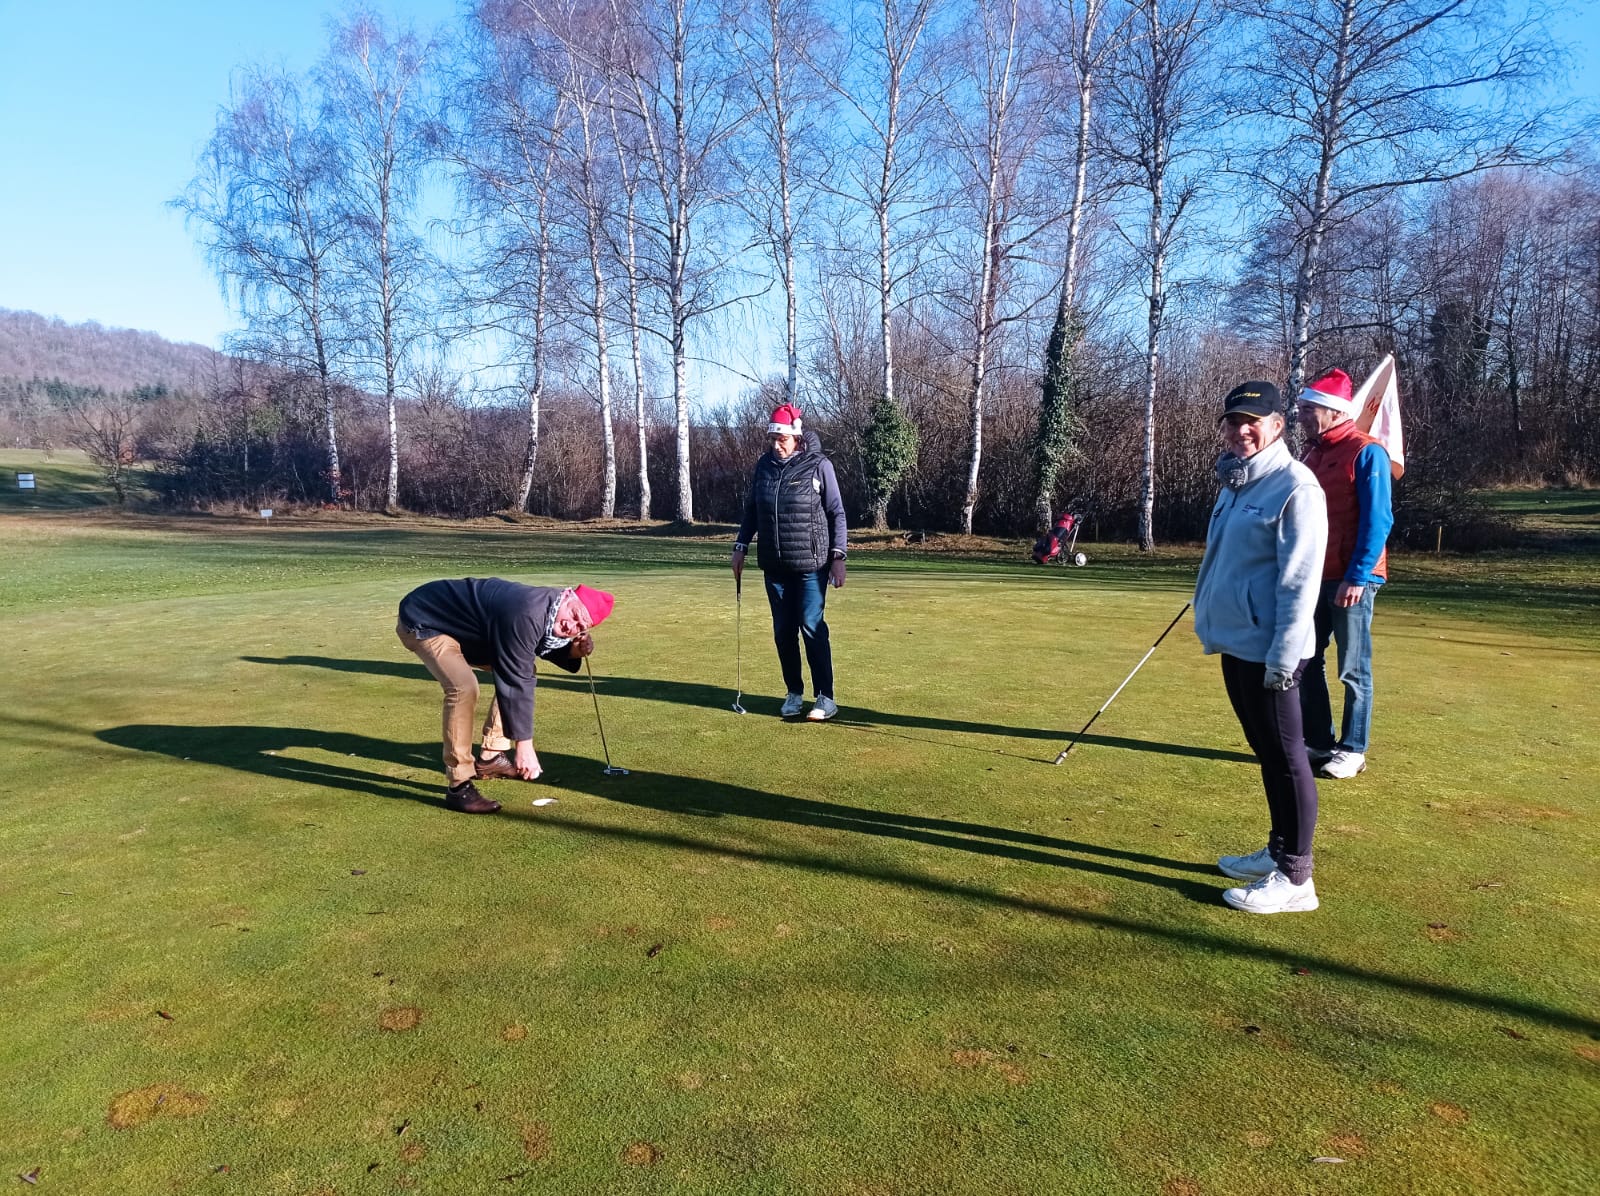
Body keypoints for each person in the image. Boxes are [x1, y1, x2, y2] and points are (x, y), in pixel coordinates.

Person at [1193, 381, 1328, 914]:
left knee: (1288, 757)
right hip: (1238, 641)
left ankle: (1296, 878)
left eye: (1252, 421)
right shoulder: (1236, 481)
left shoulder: (1296, 487)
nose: (1240, 430)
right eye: (1233, 421)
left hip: (1274, 650)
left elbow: (1300, 581)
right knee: (1267, 751)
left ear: (1276, 425)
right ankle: (1278, 850)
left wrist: (1284, 657)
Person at [396, 579, 615, 813]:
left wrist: (572, 651)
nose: (571, 626)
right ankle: (459, 787)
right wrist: (524, 747)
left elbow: (531, 645)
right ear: (567, 596)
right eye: (573, 615)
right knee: (463, 687)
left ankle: (491, 757)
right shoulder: (527, 610)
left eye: (580, 626)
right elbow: (516, 678)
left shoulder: (550, 609)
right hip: (426, 617)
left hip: (468, 630)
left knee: (524, 670)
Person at [1296, 368, 1395, 780]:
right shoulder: (1311, 455)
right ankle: (1320, 741)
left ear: (1335, 412)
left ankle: (1353, 749)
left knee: (1353, 667)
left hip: (1354, 577)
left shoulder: (1367, 452)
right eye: (1302, 408)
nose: (1302, 416)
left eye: (1309, 409)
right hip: (1313, 575)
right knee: (1305, 658)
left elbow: (1378, 520)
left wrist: (1357, 576)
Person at [731, 402, 848, 721]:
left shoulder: (818, 465)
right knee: (783, 631)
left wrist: (838, 556)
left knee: (811, 626)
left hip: (812, 564)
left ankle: (825, 697)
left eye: (782, 439)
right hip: (775, 565)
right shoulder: (764, 466)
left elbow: (836, 512)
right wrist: (741, 546)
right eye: (772, 438)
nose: (776, 445)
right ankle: (794, 693)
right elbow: (753, 510)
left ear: (796, 437)